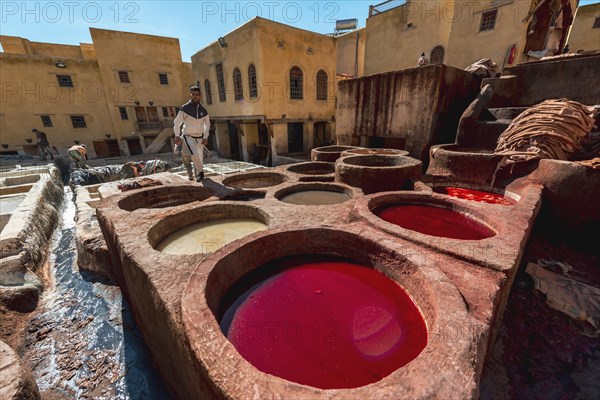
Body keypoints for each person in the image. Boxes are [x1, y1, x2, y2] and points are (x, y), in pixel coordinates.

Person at [173, 86, 211, 182]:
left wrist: (206, 137)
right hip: (188, 136)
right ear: (190, 94)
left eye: (197, 95)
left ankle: (199, 174)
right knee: (194, 154)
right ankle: (201, 173)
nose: (195, 96)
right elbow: (177, 122)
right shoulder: (184, 108)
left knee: (200, 157)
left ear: (200, 96)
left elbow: (208, 124)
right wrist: (177, 135)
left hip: (200, 137)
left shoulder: (203, 110)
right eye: (193, 94)